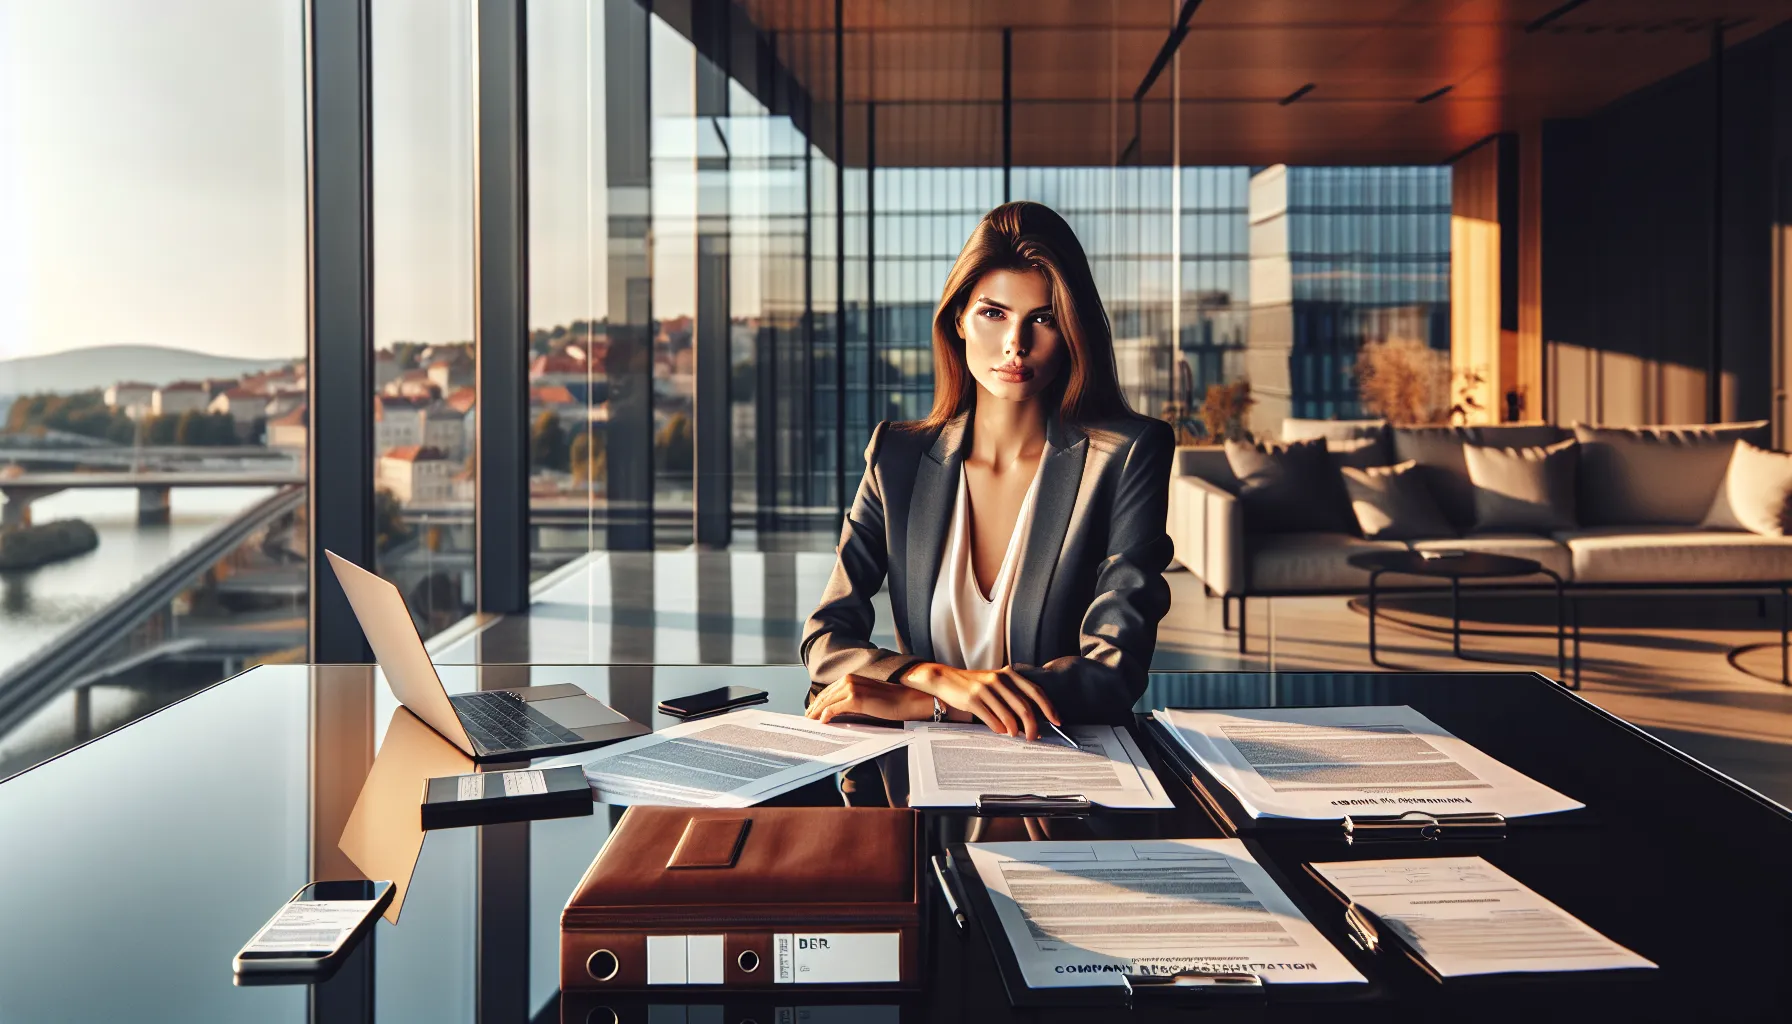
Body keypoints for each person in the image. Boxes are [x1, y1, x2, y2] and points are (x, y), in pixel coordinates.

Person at [801, 201, 1174, 737]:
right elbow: (825, 639)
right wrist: (934, 677)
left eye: (1042, 319)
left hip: (1066, 764)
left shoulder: (1126, 454)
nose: (1015, 345)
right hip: (923, 778)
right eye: (993, 313)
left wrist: (928, 703)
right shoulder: (896, 456)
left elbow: (1114, 671)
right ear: (958, 318)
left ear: (1071, 331)